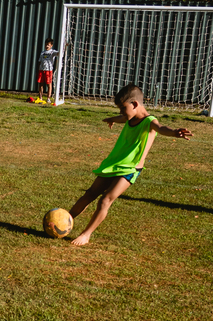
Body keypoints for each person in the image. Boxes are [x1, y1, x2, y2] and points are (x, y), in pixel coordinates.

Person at [67, 83, 192, 247]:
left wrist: (174, 132)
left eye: (122, 108)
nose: (121, 112)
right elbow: (123, 118)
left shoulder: (149, 121)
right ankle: (65, 220)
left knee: (105, 200)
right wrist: (113, 119)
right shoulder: (129, 117)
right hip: (114, 163)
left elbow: (161, 128)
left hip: (130, 169)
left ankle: (86, 234)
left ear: (134, 104)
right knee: (90, 194)